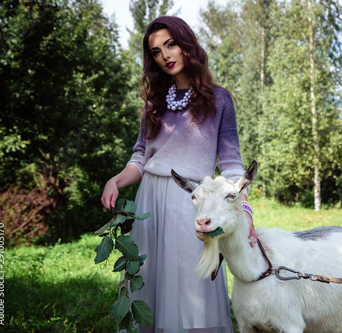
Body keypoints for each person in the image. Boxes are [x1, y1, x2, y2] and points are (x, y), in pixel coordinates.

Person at [101, 16, 256, 333]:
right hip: (149, 202)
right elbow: (141, 156)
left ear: (186, 44)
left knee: (191, 287)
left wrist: (245, 210)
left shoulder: (218, 99)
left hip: (192, 202)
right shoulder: (153, 104)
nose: (165, 55)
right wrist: (116, 180)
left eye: (170, 44)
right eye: (156, 51)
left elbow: (231, 164)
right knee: (148, 281)